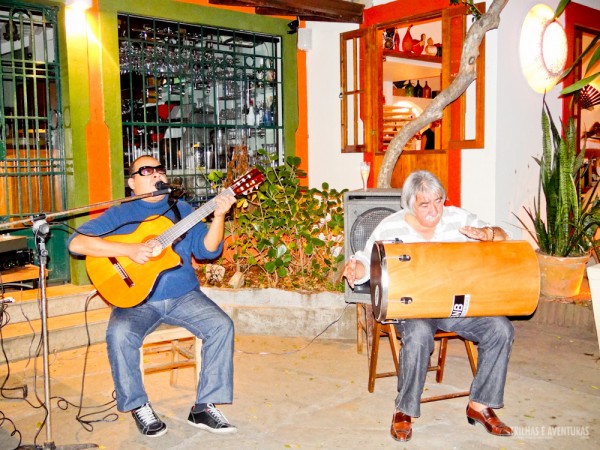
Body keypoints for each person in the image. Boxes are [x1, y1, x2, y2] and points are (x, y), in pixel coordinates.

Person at [68, 155, 237, 438]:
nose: (157, 174)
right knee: (119, 334)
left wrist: (218, 215)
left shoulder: (182, 209)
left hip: (184, 295)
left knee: (222, 325)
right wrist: (129, 250)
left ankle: (204, 407)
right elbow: (77, 242)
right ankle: (138, 405)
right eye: (147, 171)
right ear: (132, 183)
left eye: (160, 170)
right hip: (137, 299)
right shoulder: (119, 214)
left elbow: (208, 250)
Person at [343, 170, 514, 442]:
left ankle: (480, 405)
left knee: (500, 328)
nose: (435, 209)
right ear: (410, 204)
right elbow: (367, 260)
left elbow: (504, 236)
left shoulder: (458, 218)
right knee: (420, 333)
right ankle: (404, 409)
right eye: (425, 204)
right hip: (412, 307)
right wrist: (356, 269)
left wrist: (488, 233)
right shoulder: (391, 226)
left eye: (439, 201)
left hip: (455, 304)